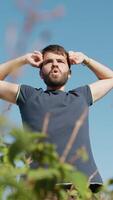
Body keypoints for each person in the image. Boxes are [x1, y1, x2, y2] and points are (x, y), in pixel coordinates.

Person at [0, 44, 113, 193]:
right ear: (40, 74)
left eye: (60, 61)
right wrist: (24, 60)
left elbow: (110, 78)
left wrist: (86, 60)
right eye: (48, 62)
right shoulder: (28, 95)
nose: (54, 64)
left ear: (70, 73)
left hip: (82, 187)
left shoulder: (81, 96)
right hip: (38, 187)